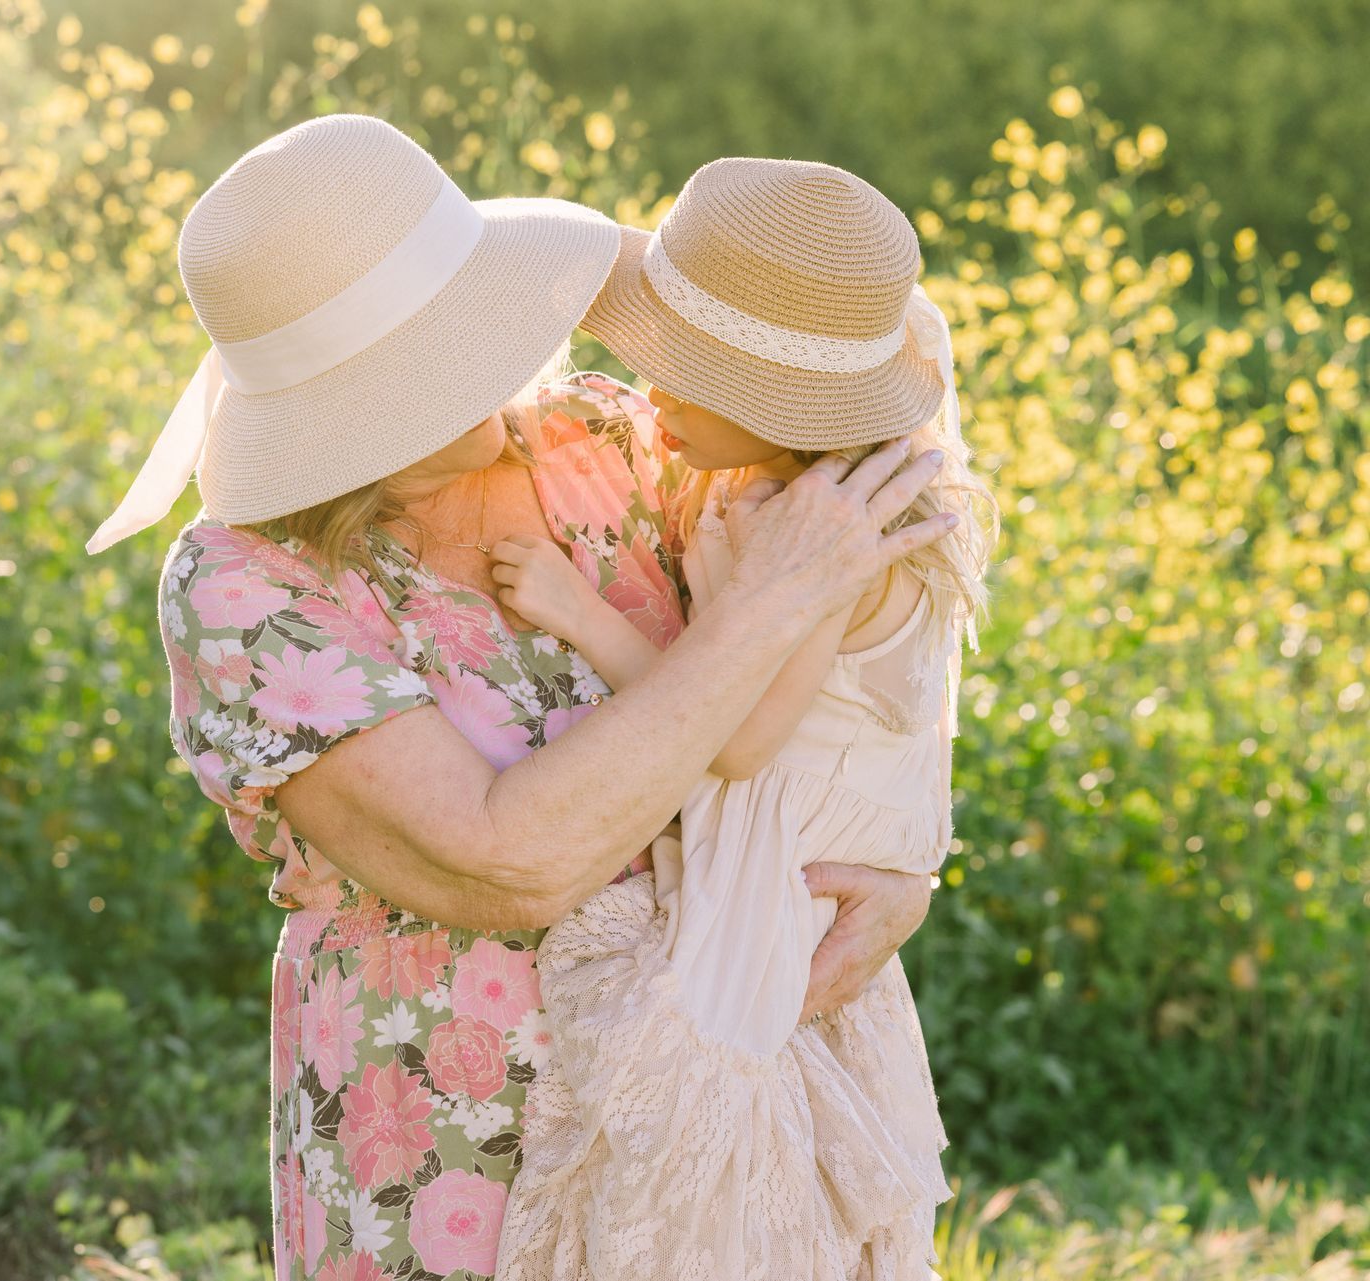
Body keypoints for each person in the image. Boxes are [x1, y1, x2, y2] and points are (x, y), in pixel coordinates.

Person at [86, 116, 953, 1279]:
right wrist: (759, 616)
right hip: (454, 1113)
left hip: (730, 1061)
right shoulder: (251, 587)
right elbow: (508, 862)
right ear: (357, 410)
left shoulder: (599, 437)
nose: (509, 355)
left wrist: (903, 853)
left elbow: (852, 438)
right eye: (453, 347)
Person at [491, 158, 998, 1280]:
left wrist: (578, 613)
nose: (650, 392)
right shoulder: (816, 485)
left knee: (713, 1201)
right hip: (782, 866)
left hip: (765, 890)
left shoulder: (820, 534)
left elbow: (739, 734)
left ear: (781, 412)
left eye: (685, 380)